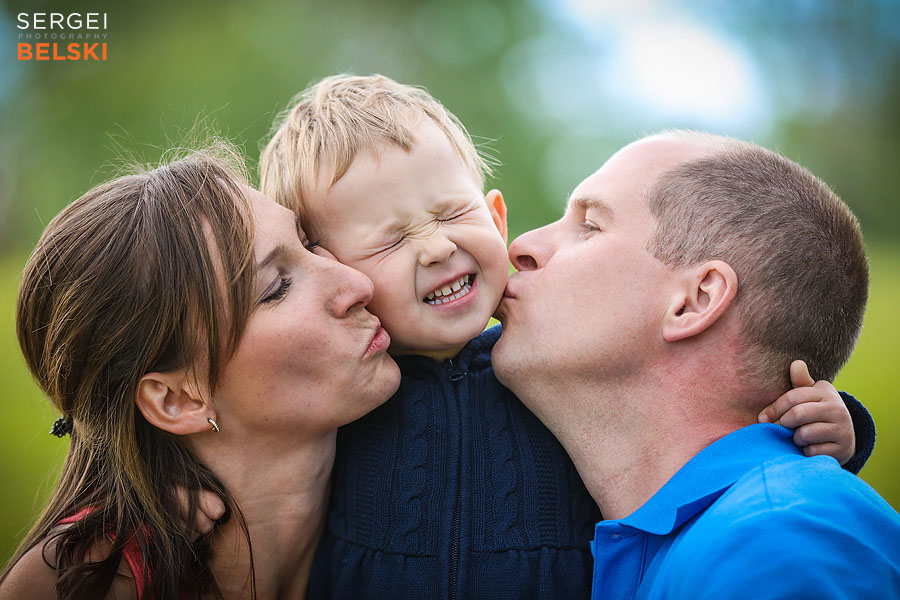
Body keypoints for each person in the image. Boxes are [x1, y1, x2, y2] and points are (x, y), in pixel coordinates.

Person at [256, 75, 876, 598]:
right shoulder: (343, 400)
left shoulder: (778, 535)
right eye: (390, 241)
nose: (440, 245)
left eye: (589, 226)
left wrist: (825, 427)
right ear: (338, 276)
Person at [491, 130, 900, 599]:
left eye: (589, 226)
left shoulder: (777, 545)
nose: (522, 245)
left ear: (695, 301)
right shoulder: (723, 537)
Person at [0, 145, 400, 599]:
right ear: (179, 400)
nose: (357, 283)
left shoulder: (441, 456)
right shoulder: (75, 584)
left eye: (308, 242)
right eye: (276, 288)